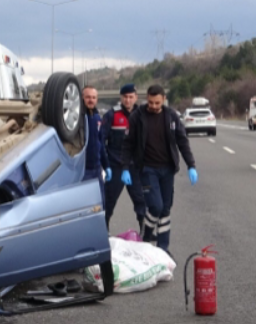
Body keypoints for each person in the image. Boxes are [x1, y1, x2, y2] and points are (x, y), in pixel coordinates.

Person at [120, 84, 197, 254]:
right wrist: (125, 167)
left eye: (157, 103)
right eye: (151, 102)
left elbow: (182, 141)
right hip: (147, 169)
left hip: (167, 169)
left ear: (163, 100)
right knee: (155, 206)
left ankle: (163, 249)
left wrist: (191, 165)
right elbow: (128, 144)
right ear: (146, 99)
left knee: (166, 209)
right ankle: (147, 234)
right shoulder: (137, 116)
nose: (153, 106)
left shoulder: (171, 116)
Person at [101, 84, 146, 232]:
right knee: (109, 201)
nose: (128, 100)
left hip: (135, 167)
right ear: (121, 98)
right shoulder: (111, 115)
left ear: (136, 97)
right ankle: (104, 232)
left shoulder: (143, 115)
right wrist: (106, 164)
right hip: (116, 166)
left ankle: (144, 232)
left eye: (131, 97)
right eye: (125, 97)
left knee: (141, 201)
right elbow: (101, 141)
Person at [81, 85, 110, 207]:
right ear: (82, 98)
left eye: (93, 97)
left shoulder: (98, 117)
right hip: (82, 172)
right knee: (84, 207)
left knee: (100, 205)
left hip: (97, 170)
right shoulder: (77, 118)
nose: (91, 100)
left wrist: (106, 166)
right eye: (88, 97)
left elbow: (101, 143)